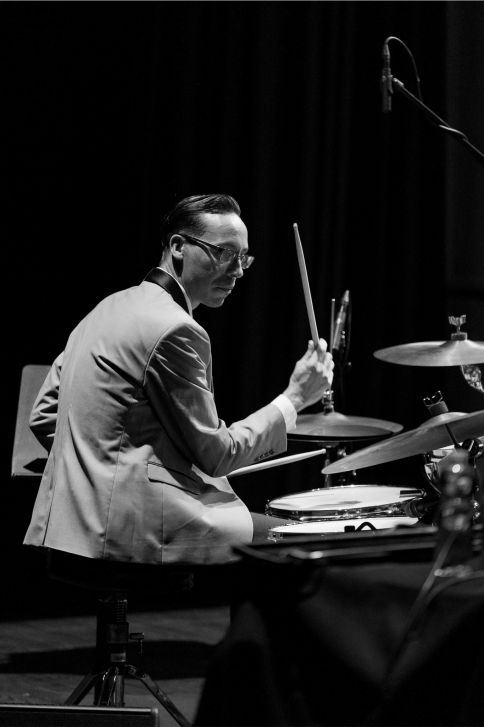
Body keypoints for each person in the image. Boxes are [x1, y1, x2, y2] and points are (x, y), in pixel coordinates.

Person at [24, 194, 333, 566]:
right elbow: (219, 456)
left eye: (243, 257)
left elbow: (43, 415)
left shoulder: (106, 308)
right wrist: (295, 397)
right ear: (177, 246)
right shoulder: (176, 329)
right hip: (137, 530)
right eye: (225, 253)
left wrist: (98, 468)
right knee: (303, 543)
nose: (238, 271)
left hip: (70, 528)